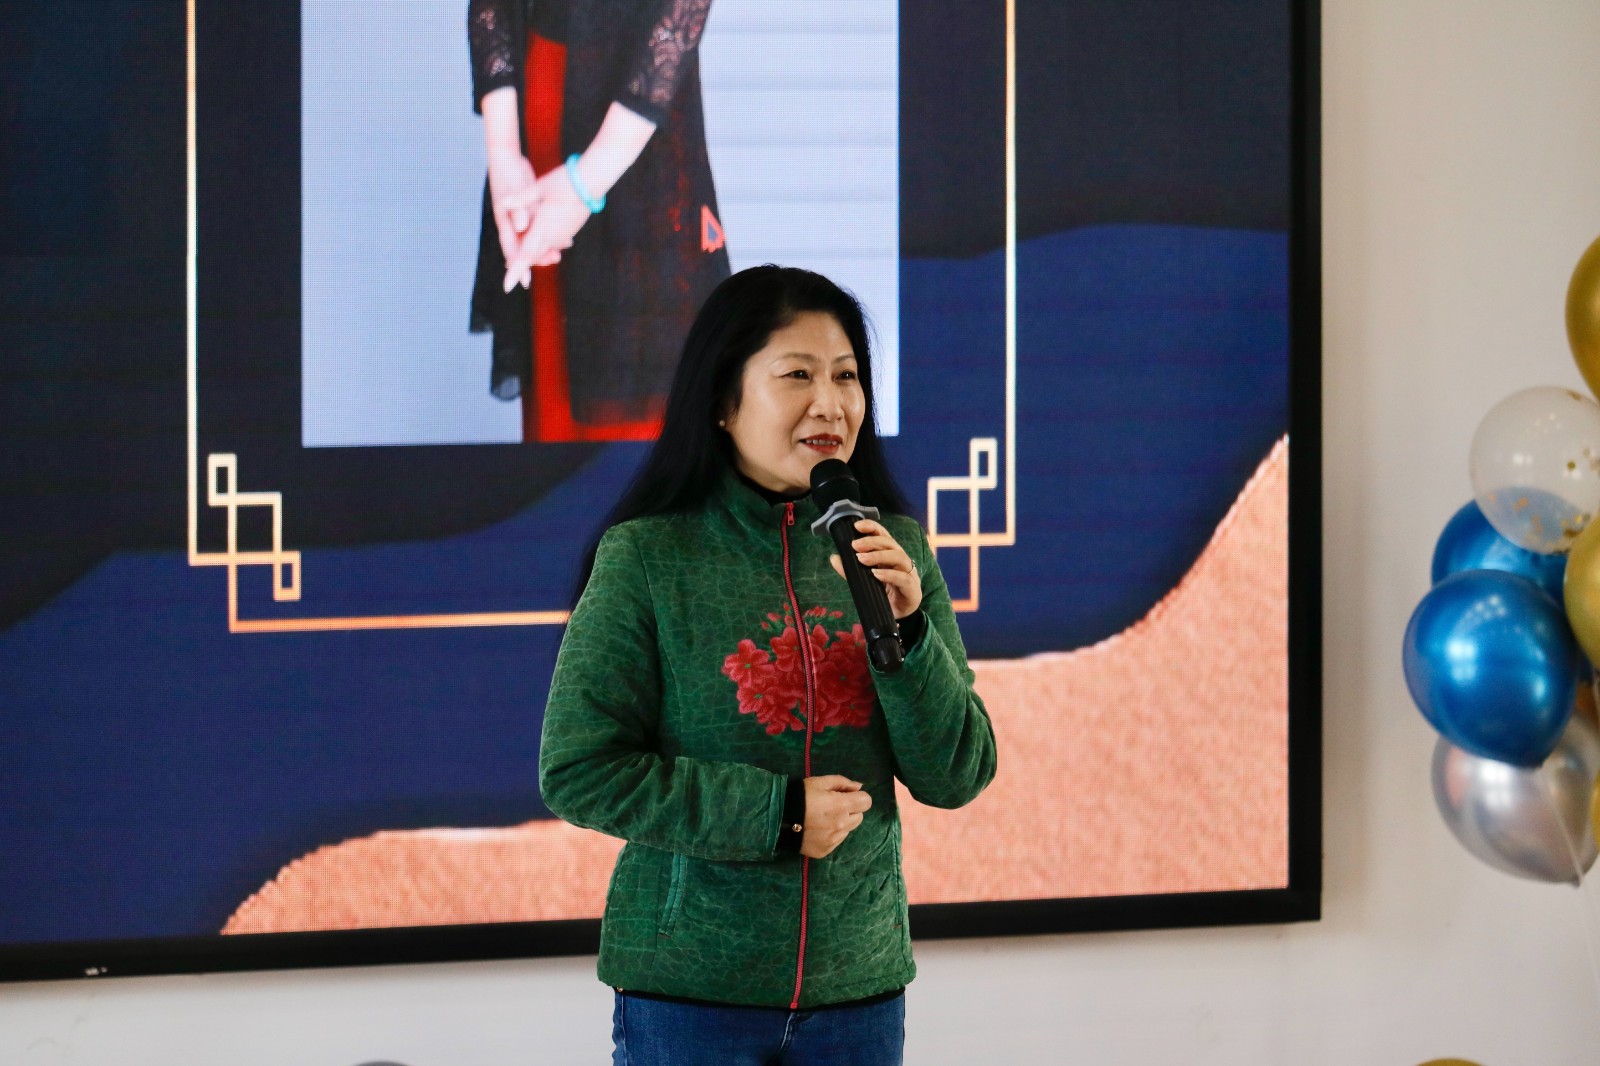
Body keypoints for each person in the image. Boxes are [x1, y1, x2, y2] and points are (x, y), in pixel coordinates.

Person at [540, 265, 997, 1064]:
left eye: (847, 376)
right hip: (690, 995)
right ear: (723, 402)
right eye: (797, 375)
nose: (831, 404)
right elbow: (580, 770)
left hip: (857, 993)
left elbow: (955, 774)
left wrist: (909, 632)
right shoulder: (648, 557)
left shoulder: (896, 549)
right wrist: (776, 815)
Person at [467, 0, 731, 443]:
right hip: (546, 95)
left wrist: (585, 183)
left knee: (652, 420)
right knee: (556, 424)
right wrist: (504, 156)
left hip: (640, 120)